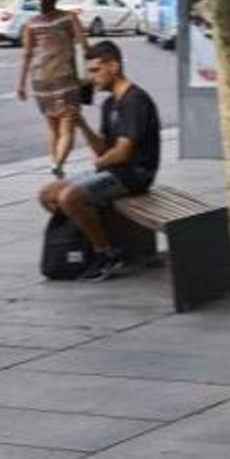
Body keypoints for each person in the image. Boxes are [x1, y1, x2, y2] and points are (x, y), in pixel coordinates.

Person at [38, 41, 161, 282]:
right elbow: (104, 149)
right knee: (47, 194)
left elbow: (123, 153)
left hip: (134, 175)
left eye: (96, 70)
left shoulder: (135, 101)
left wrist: (97, 165)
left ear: (113, 66)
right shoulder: (109, 104)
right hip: (113, 172)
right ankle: (91, 241)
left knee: (69, 197)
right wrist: (80, 123)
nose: (92, 78)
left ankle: (105, 253)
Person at [17, 0, 87, 178]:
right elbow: (84, 46)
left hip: (40, 81)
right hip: (65, 78)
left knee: (52, 127)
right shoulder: (69, 18)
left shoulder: (32, 24)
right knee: (67, 126)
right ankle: (58, 163)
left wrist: (21, 84)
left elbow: (27, 54)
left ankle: (54, 163)